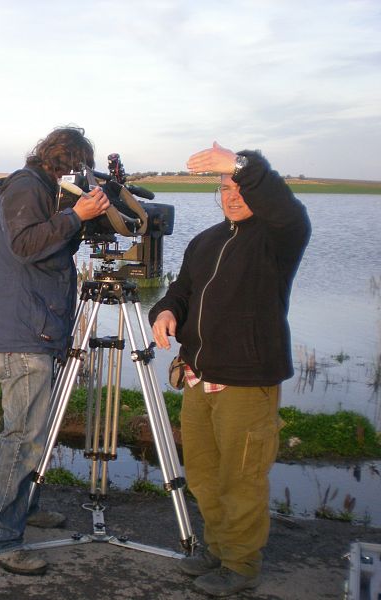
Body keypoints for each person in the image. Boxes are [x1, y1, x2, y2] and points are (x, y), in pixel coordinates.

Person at [149, 142, 311, 597]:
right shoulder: (207, 241)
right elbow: (180, 290)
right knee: (203, 475)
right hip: (199, 378)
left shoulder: (280, 235)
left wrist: (243, 166)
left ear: (256, 188)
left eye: (240, 185)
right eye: (224, 186)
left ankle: (240, 566)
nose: (232, 194)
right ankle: (219, 551)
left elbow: (284, 205)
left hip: (246, 382)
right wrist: (164, 312)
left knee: (241, 478)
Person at [0, 126, 111, 575]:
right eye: (78, 167)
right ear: (66, 160)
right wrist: (77, 215)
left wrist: (78, 216)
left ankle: (24, 509)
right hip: (20, 333)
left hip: (32, 327)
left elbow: (46, 246)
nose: (80, 176)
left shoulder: (42, 190)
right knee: (22, 436)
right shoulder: (26, 186)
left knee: (34, 432)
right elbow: (25, 244)